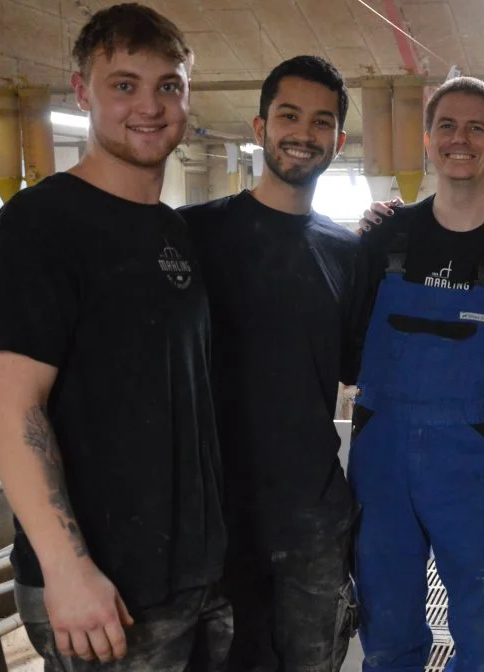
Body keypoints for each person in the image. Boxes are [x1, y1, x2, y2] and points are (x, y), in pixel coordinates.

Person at [0, 3, 230, 670]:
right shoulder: (39, 227)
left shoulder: (171, 230)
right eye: (124, 85)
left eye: (167, 85)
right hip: (105, 590)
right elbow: (11, 407)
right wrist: (67, 570)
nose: (149, 105)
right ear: (83, 91)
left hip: (191, 577)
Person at [350, 76, 484, 672]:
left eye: (476, 128)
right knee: (385, 626)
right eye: (447, 126)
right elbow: (337, 344)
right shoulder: (385, 234)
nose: (460, 139)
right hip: (382, 456)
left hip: (476, 459)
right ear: (427, 140)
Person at [179, 55, 364, 672]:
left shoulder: (346, 253)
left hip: (311, 516)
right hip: (213, 515)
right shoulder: (192, 237)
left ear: (338, 140)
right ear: (259, 126)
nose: (303, 133)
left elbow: (356, 369)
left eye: (321, 121)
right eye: (289, 115)